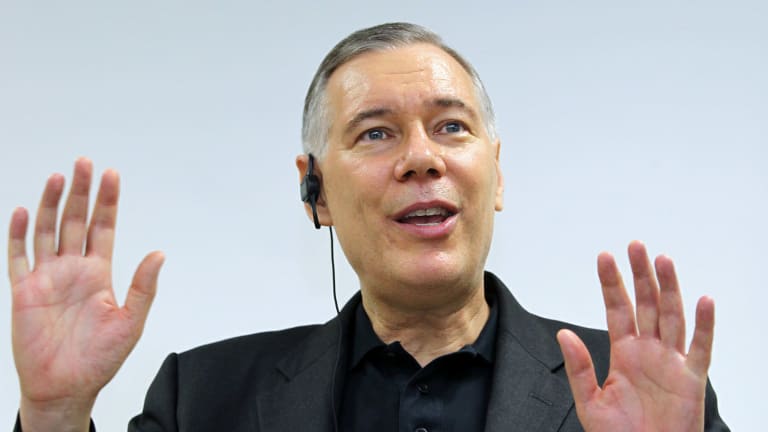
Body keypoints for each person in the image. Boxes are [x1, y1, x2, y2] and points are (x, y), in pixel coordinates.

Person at [8, 22, 728, 431]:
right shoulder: (201, 398)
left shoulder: (635, 388)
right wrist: (54, 412)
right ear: (315, 191)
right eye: (376, 133)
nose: (422, 158)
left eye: (451, 126)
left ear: (497, 174)